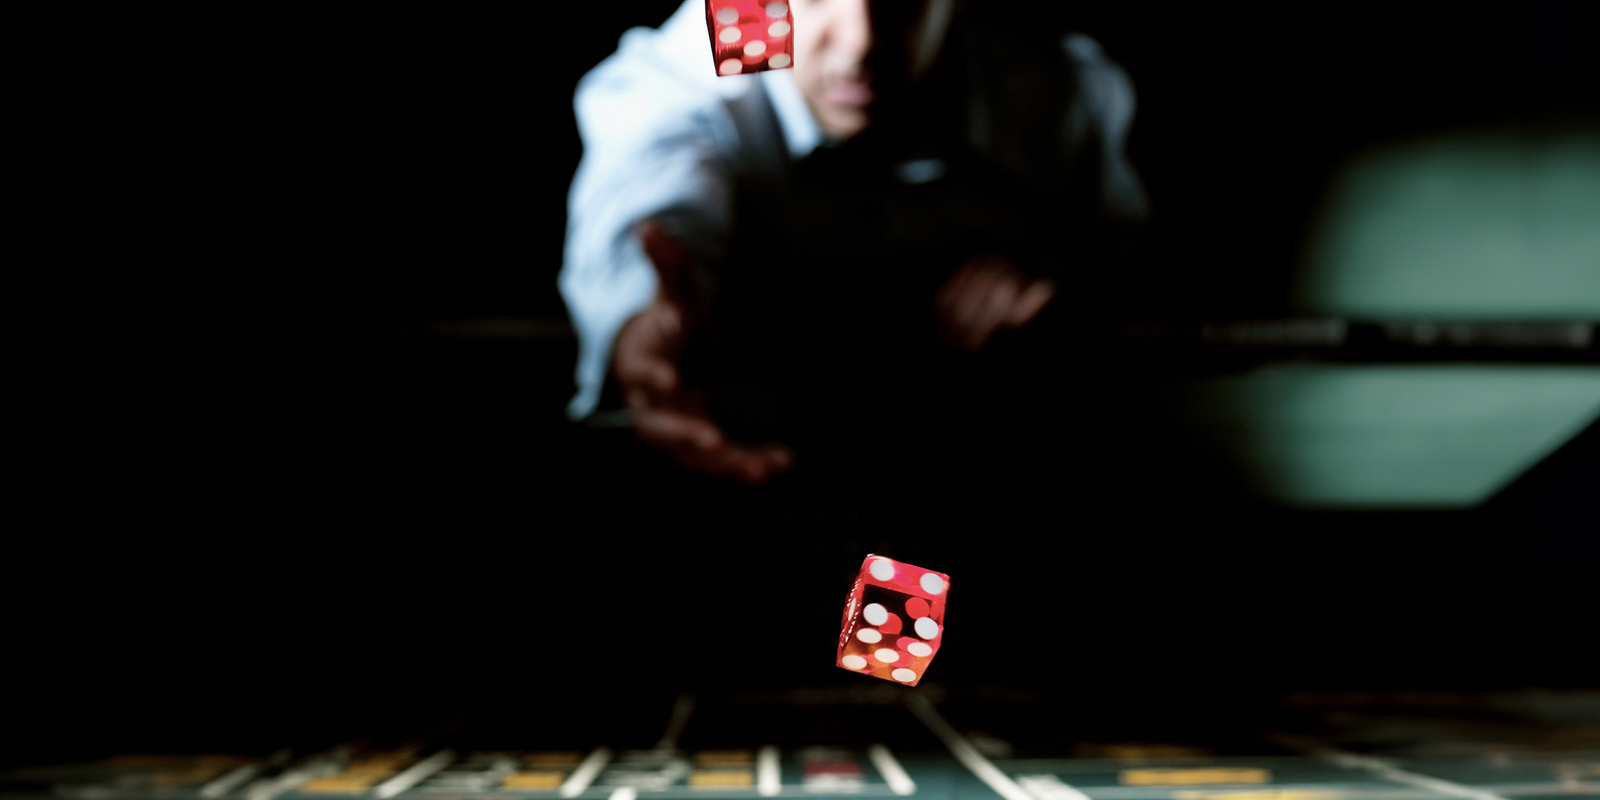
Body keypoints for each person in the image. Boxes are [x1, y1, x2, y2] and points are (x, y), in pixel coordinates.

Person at [559, 0, 1148, 486]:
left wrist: (1062, 275)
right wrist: (639, 317)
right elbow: (651, 165)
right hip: (745, 478)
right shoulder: (719, 49)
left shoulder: (1037, 78)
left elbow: (1123, 242)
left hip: (974, 479)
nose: (861, 42)